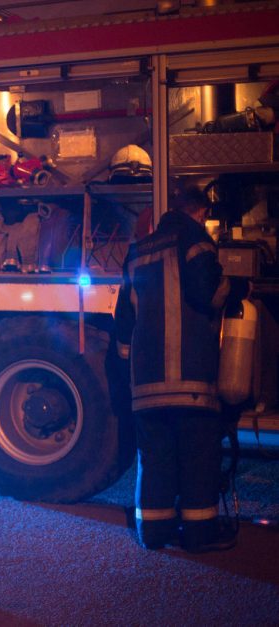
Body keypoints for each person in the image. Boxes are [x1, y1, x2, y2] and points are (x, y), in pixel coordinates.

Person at [114, 184, 247, 553]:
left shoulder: (138, 251)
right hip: (191, 382)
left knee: (154, 458)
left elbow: (124, 319)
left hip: (147, 387)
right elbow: (209, 292)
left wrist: (128, 358)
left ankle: (154, 533)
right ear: (200, 212)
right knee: (197, 457)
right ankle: (200, 533)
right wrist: (238, 288)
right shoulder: (196, 242)